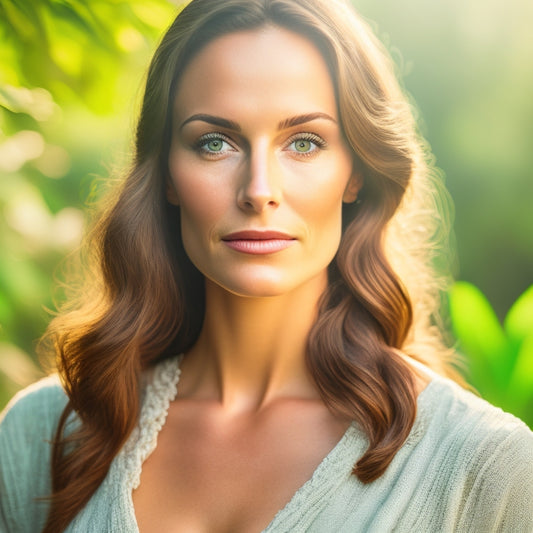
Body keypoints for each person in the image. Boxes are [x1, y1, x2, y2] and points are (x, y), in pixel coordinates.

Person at [1, 0, 532, 531]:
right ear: (166, 173)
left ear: (357, 174)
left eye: (304, 143)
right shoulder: (41, 435)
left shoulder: (485, 467)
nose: (258, 191)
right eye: (215, 143)